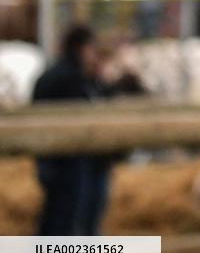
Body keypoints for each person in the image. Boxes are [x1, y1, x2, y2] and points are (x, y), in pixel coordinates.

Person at [32, 26, 141, 235]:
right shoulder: (67, 79)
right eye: (91, 49)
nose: (94, 56)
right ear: (80, 49)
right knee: (65, 217)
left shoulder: (87, 80)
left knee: (76, 215)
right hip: (68, 162)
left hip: (86, 161)